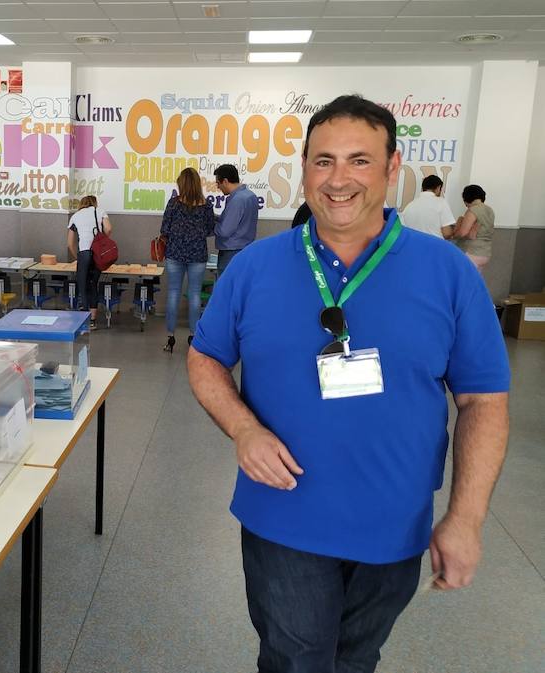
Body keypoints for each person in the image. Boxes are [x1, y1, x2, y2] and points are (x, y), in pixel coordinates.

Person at [188, 95, 510, 673]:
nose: (339, 180)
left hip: (395, 522)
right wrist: (243, 430)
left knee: (357, 659)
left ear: (392, 167)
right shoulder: (255, 267)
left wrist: (466, 519)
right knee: (296, 660)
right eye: (324, 161)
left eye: (359, 160)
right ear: (304, 168)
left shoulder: (449, 273)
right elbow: (205, 357)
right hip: (283, 514)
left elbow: (483, 399)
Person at [159, 167, 214, 353]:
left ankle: (170, 336)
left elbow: (164, 229)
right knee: (195, 294)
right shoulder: (206, 206)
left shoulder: (174, 203)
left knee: (173, 293)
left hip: (175, 253)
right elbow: (210, 230)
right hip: (197, 254)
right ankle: (194, 335)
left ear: (181, 184)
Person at [68, 195, 112, 330]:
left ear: (81, 203)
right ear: (94, 203)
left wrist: (77, 256)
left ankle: (83, 321)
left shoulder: (75, 216)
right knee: (93, 285)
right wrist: (102, 241)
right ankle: (92, 321)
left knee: (83, 286)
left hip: (84, 253)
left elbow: (70, 243)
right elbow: (108, 229)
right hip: (97, 254)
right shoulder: (100, 211)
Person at [212, 164, 259, 277]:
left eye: (218, 183)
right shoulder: (250, 196)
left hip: (231, 253)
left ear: (225, 181)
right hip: (245, 249)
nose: (218, 187)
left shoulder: (237, 200)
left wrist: (208, 225)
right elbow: (238, 222)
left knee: (226, 285)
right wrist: (216, 217)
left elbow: (225, 231)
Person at [453, 184, 495, 272]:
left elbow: (462, 233)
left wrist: (454, 234)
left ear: (467, 198)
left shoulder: (473, 210)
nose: (465, 205)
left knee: (464, 279)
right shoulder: (490, 210)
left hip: (471, 252)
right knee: (474, 279)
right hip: (485, 253)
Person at [400, 175, 457, 239]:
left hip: (413, 243)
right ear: (438, 187)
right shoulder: (441, 202)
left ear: (423, 188)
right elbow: (447, 233)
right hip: (434, 244)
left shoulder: (410, 205)